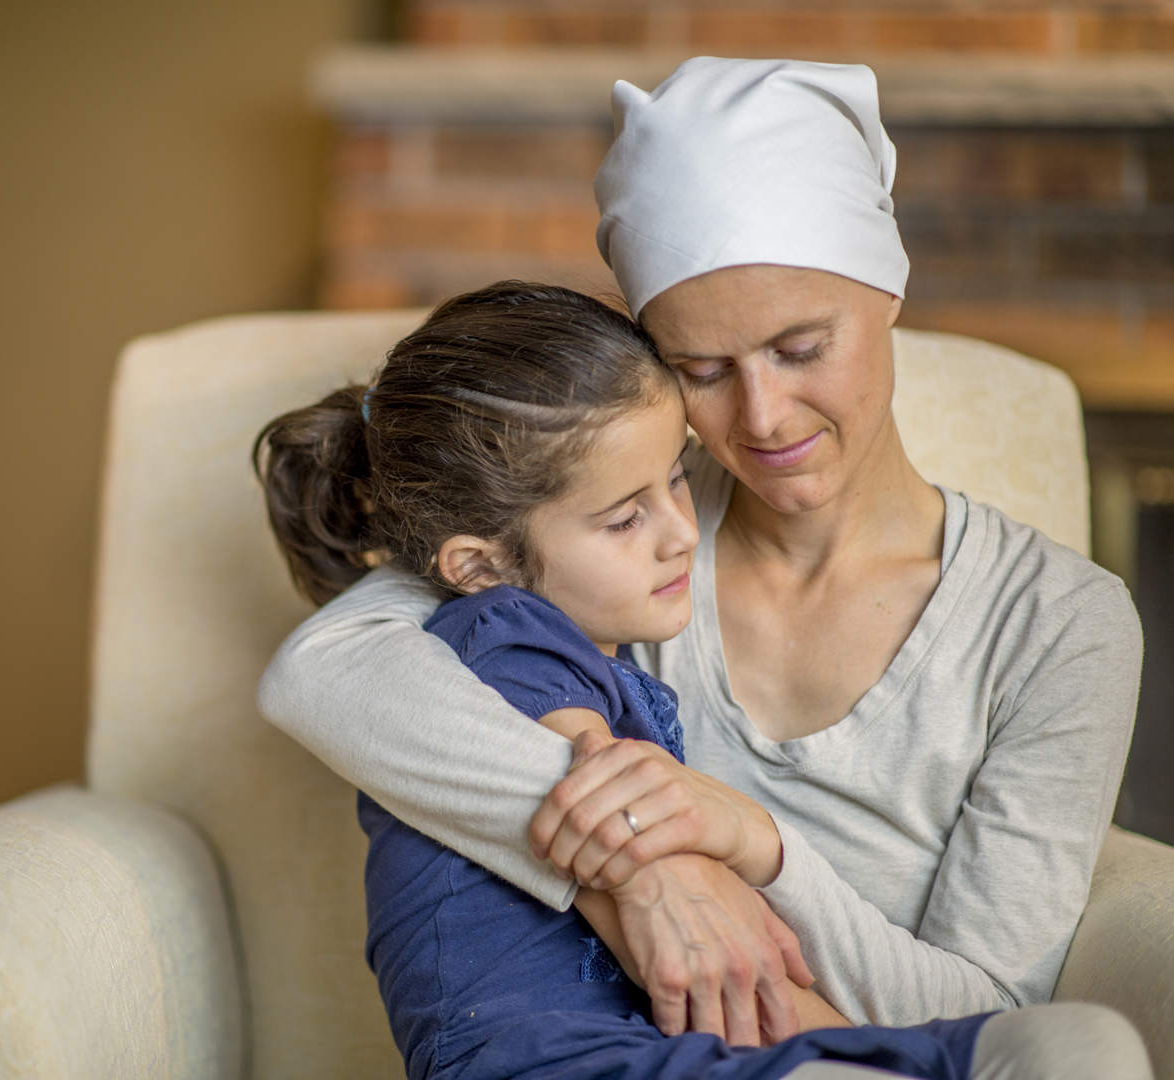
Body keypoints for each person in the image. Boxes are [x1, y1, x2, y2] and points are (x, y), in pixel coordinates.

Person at [257, 58, 1150, 1076]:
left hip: (855, 1047)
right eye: (703, 371)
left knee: (1084, 1047)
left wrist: (746, 845)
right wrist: (643, 868)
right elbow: (326, 669)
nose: (762, 419)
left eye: (802, 348)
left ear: (888, 288)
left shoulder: (1059, 623)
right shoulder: (602, 530)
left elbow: (985, 1003)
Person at [257, 280, 1016, 1080]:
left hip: (650, 1050)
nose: (683, 533)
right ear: (481, 565)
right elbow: (717, 975)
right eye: (625, 520)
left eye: (679, 478)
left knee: (1047, 1044)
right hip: (544, 1060)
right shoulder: (501, 640)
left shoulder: (577, 646)